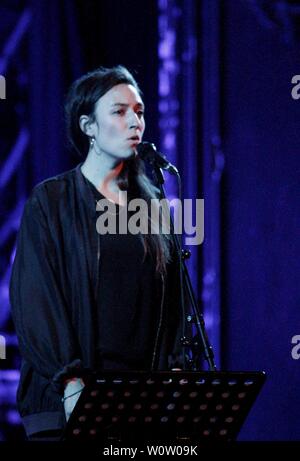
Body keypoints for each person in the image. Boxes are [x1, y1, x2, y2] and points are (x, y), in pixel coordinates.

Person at [9, 65, 182, 441]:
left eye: (139, 112)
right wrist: (71, 385)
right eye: (119, 112)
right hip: (70, 404)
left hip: (140, 407)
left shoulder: (150, 209)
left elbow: (173, 310)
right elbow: (36, 303)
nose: (135, 121)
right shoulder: (51, 202)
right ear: (88, 126)